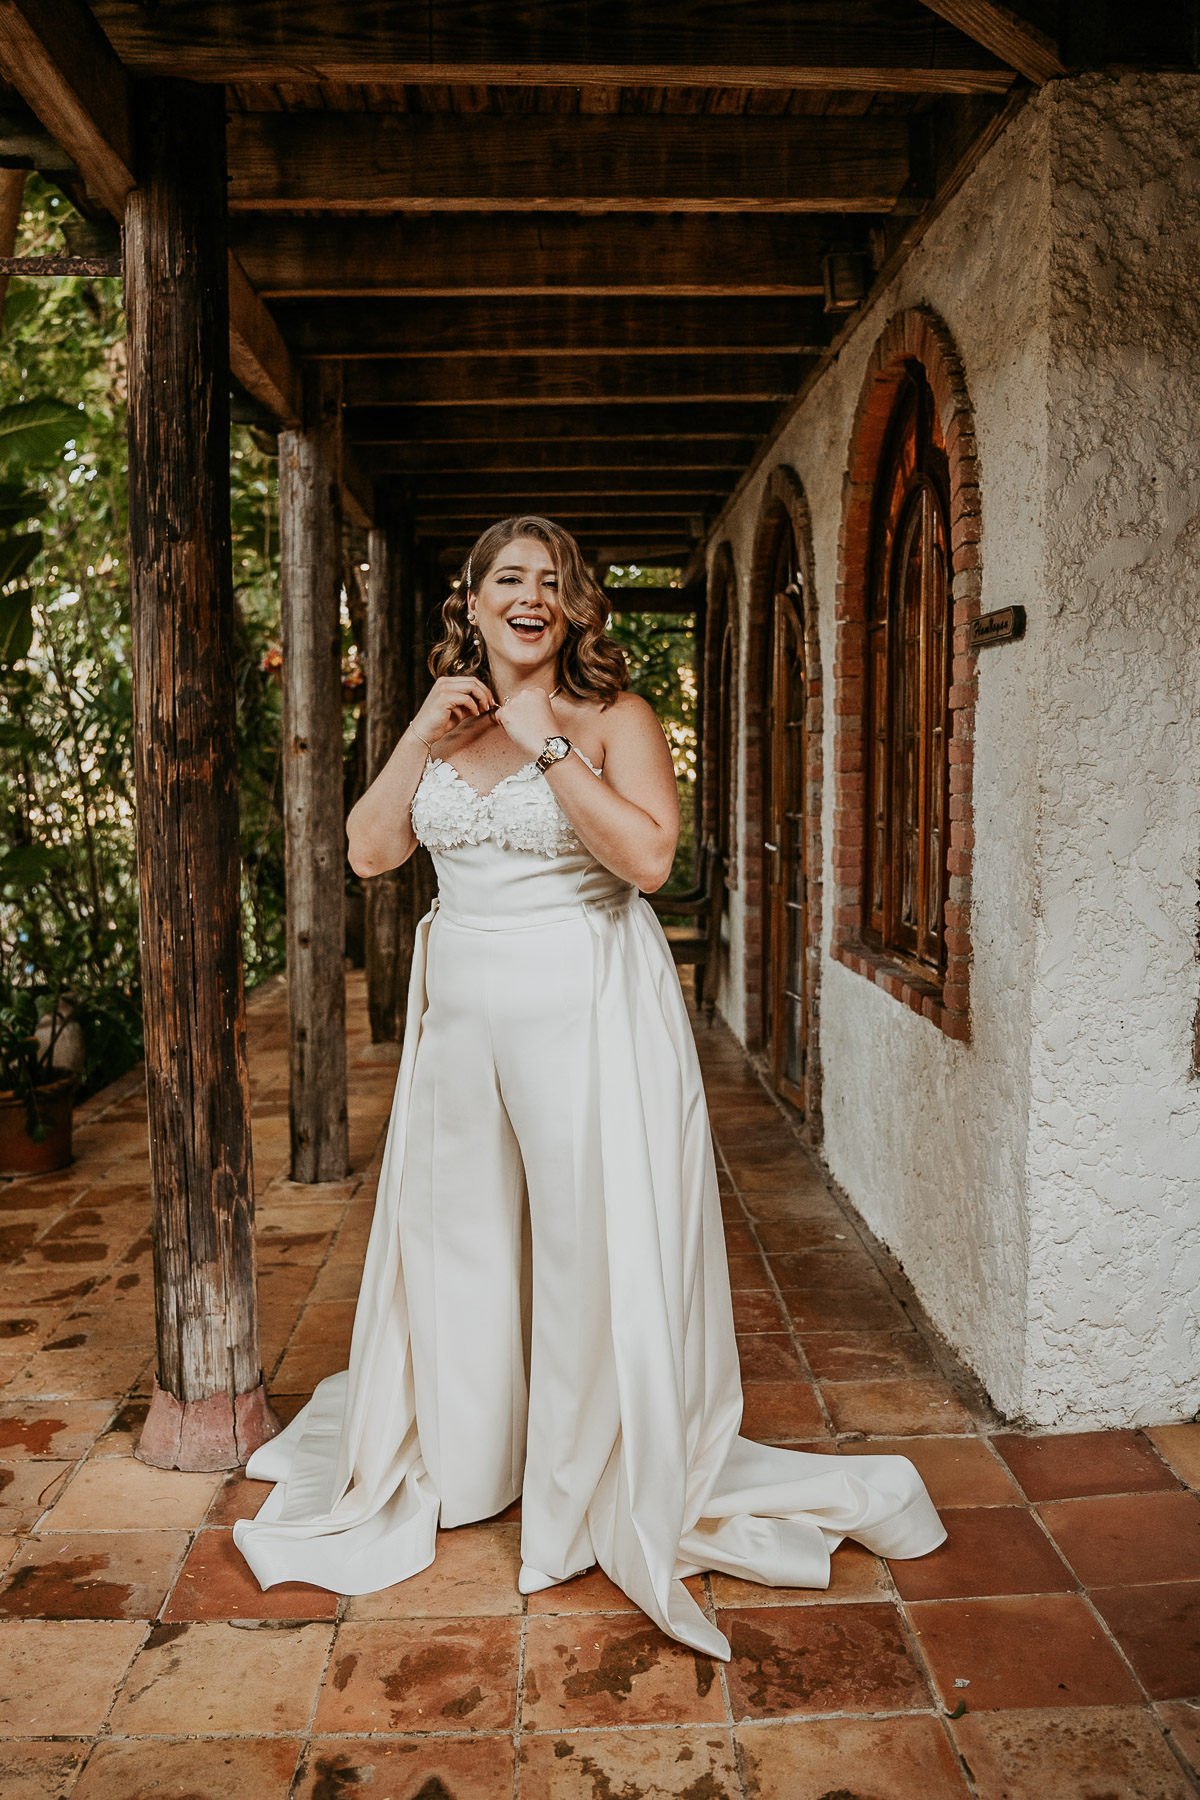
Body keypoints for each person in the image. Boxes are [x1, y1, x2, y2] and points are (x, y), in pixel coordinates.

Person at [233, 515, 946, 1660]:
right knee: (455, 1235)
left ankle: (580, 1478)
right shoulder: (440, 721)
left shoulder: (615, 718)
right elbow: (370, 852)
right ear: (468, 602)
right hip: (460, 1013)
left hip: (585, 1005)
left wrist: (547, 745)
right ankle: (470, 1459)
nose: (531, 595)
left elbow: (652, 863)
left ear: (573, 610)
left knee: (581, 1241)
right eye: (508, 578)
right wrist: (422, 730)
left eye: (552, 582)